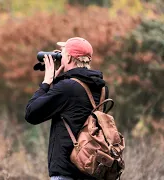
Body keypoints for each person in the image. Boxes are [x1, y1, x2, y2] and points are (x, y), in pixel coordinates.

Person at [25, 37, 109, 180]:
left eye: (62, 54)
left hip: (67, 171)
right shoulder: (102, 89)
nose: (60, 57)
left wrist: (47, 82)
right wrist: (59, 79)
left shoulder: (67, 88)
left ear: (69, 58)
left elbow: (31, 113)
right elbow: (73, 108)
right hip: (91, 168)